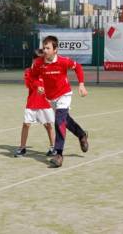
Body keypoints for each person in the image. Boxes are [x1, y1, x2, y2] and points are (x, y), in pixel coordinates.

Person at [31, 35, 89, 168]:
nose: (45, 50)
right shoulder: (39, 63)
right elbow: (33, 76)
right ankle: (81, 134)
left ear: (55, 49)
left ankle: (58, 154)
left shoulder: (63, 61)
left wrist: (81, 84)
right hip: (51, 97)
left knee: (58, 121)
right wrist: (38, 85)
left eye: (48, 48)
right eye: (44, 47)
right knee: (65, 120)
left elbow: (78, 67)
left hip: (64, 94)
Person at [14, 49, 55, 157]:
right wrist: (37, 86)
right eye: (37, 60)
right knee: (26, 124)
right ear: (33, 60)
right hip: (32, 102)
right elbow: (28, 84)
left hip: (45, 103)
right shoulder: (28, 71)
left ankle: (53, 147)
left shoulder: (47, 71)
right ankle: (22, 148)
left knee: (48, 125)